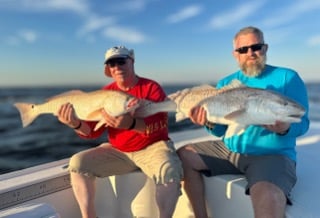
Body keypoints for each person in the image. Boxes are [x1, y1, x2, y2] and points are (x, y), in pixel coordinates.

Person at [177, 26, 309, 218]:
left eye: (256, 47)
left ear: (265, 48)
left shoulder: (288, 77)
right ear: (235, 54)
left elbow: (303, 122)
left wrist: (285, 128)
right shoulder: (226, 83)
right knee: (183, 155)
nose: (251, 53)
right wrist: (208, 122)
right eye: (243, 49)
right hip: (230, 150)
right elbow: (222, 131)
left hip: (272, 155)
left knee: (268, 196)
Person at [57, 45, 183, 218]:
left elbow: (160, 124)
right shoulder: (106, 92)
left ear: (132, 61)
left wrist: (131, 123)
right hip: (119, 151)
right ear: (108, 68)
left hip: (153, 148)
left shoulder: (151, 87)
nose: (117, 67)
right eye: (112, 63)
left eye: (121, 61)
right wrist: (75, 124)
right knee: (77, 164)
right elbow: (92, 132)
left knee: (169, 172)